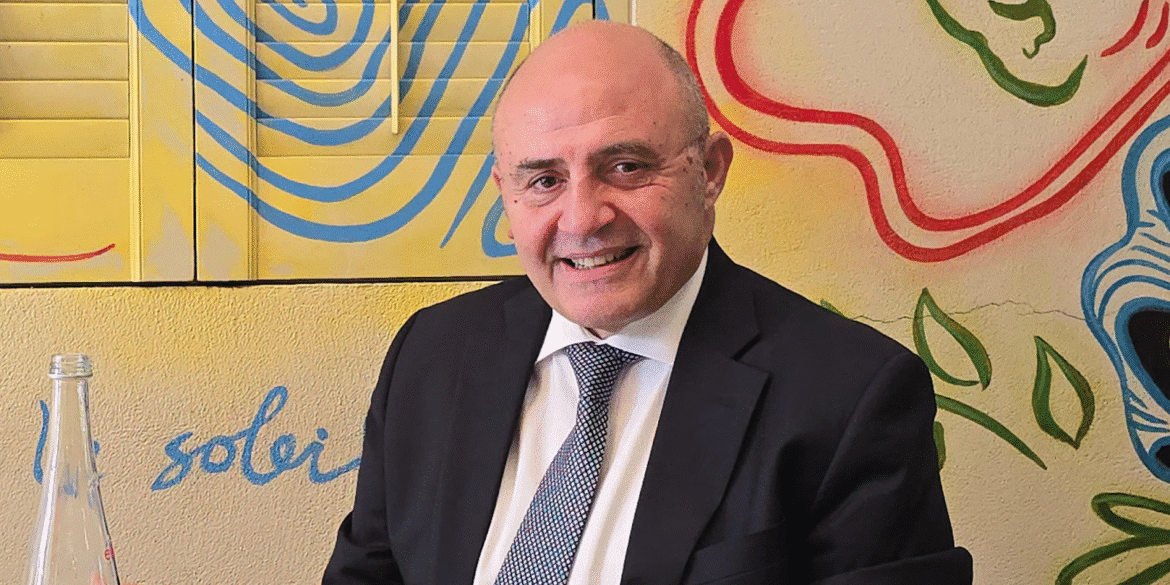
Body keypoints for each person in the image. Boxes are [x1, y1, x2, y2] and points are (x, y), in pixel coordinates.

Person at [323, 20, 972, 585]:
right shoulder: (430, 357)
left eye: (626, 167)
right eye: (544, 180)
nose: (583, 217)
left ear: (711, 170)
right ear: (506, 191)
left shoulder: (850, 396)